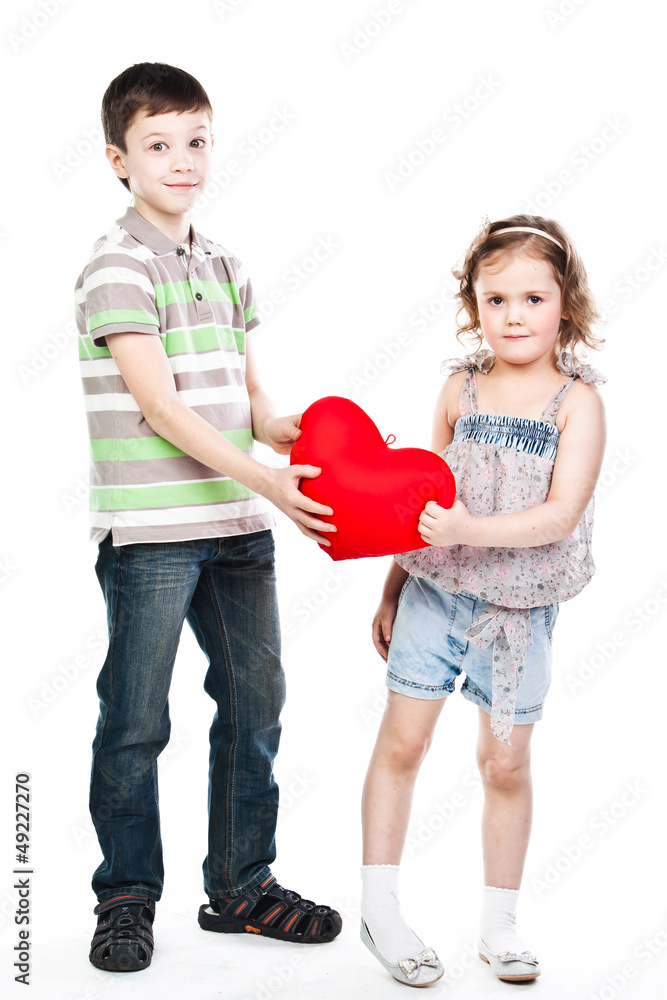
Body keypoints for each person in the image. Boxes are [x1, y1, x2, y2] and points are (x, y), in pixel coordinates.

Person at [75, 62, 341, 973]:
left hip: (235, 529)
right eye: (158, 145)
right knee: (136, 719)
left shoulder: (225, 261)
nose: (182, 160)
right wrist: (269, 481)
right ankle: (125, 897)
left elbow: (248, 398)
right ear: (120, 159)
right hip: (152, 535)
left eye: (196, 140)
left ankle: (240, 888)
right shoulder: (115, 266)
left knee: (255, 701)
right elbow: (163, 410)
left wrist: (300, 434)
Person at [359, 215, 606, 986]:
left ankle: (499, 926)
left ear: (563, 303)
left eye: (532, 298)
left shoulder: (577, 402)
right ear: (474, 305)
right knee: (401, 745)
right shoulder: (458, 389)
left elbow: (560, 514)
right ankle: (379, 907)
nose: (513, 315)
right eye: (494, 299)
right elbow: (417, 501)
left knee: (503, 763)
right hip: (435, 599)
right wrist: (394, 585)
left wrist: (470, 525)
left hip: (517, 618)